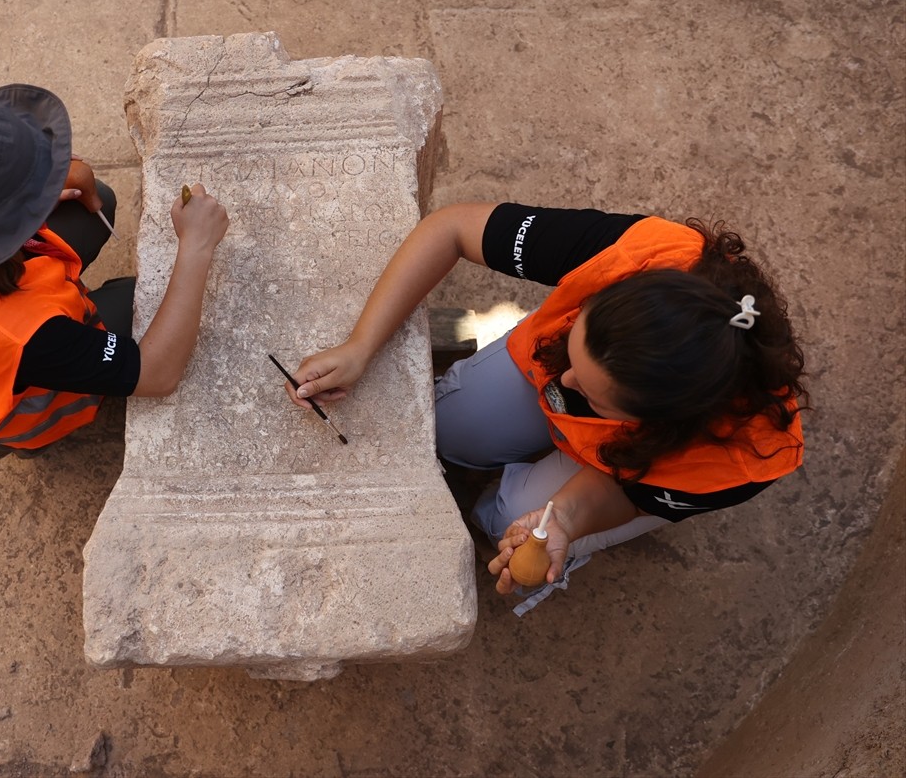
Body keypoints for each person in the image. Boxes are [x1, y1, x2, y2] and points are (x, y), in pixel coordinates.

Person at [285, 201, 806, 610]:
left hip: (635, 465)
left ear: (661, 420)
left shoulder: (739, 461)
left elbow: (629, 493)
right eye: (577, 347)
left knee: (513, 527)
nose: (565, 381)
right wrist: (360, 346)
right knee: (449, 430)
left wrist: (566, 522)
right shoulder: (637, 253)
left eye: (593, 395)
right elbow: (452, 229)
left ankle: (504, 512)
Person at [0, 84, 228, 457]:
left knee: (96, 200)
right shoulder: (29, 336)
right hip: (27, 390)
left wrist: (33, 194)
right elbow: (158, 374)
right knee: (142, 301)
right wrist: (196, 245)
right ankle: (19, 442)